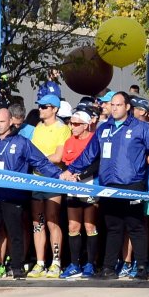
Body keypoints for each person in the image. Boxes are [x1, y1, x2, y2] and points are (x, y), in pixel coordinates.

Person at [63, 92, 149, 280]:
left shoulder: (140, 128)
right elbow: (89, 154)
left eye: (118, 105)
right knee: (113, 227)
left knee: (135, 226)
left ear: (127, 107)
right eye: (112, 105)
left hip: (132, 184)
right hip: (109, 184)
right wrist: (71, 170)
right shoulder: (104, 129)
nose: (114, 108)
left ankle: (142, 267)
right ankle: (108, 268)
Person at [0, 108, 62, 280]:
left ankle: (17, 267)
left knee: (15, 233)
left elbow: (40, 162)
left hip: (13, 196)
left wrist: (59, 175)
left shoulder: (22, 142)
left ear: (11, 122)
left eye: (2, 121)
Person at [28, 94, 70, 278]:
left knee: (52, 220)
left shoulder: (62, 128)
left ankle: (56, 262)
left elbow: (58, 157)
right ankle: (40, 263)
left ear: (55, 109)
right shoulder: (38, 127)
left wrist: (38, 160)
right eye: (40, 106)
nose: (41, 109)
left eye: (45, 107)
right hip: (36, 179)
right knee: (38, 222)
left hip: (53, 180)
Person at [59, 106, 98, 280]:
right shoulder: (69, 141)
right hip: (72, 187)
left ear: (86, 125)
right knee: (73, 226)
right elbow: (67, 164)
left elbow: (96, 164)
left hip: (89, 185)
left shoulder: (93, 139)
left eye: (76, 124)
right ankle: (74, 264)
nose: (72, 126)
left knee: (90, 226)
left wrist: (80, 176)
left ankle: (90, 263)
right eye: (71, 123)